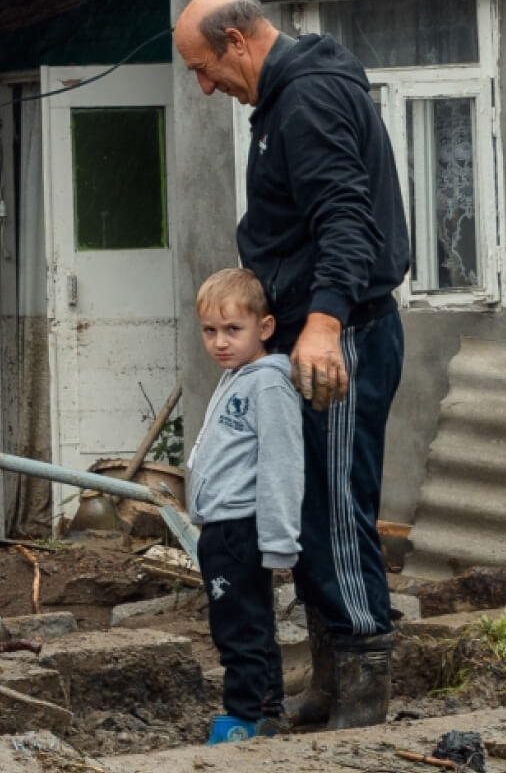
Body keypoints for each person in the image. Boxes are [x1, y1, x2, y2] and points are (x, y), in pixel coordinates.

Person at [173, 0, 409, 730]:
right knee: (316, 507)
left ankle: (364, 686)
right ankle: (333, 684)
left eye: (205, 68)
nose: (205, 87)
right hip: (316, 327)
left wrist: (323, 323)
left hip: (341, 334)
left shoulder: (305, 100)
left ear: (238, 42)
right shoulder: (287, 94)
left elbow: (346, 215)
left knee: (337, 510)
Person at [185, 267, 305, 743]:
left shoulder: (268, 385)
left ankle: (242, 720)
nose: (220, 342)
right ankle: (267, 712)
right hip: (221, 527)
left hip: (242, 528)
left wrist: (278, 542)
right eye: (210, 331)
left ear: (265, 328)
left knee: (238, 628)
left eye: (233, 330)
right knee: (247, 622)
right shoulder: (237, 377)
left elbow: (281, 464)